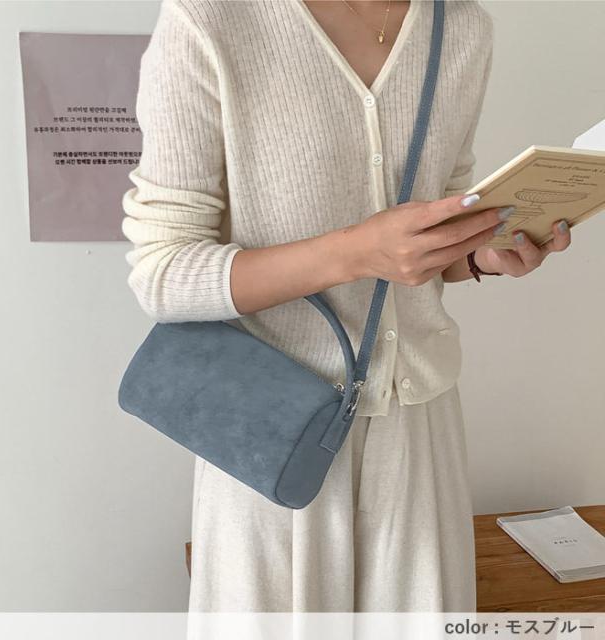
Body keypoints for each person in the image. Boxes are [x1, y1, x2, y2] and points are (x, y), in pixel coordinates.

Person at [121, 0, 571, 613]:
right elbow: (162, 272)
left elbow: (436, 218)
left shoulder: (462, 29)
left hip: (418, 422)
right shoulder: (211, 19)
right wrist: (355, 253)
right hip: (269, 427)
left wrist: (479, 256)